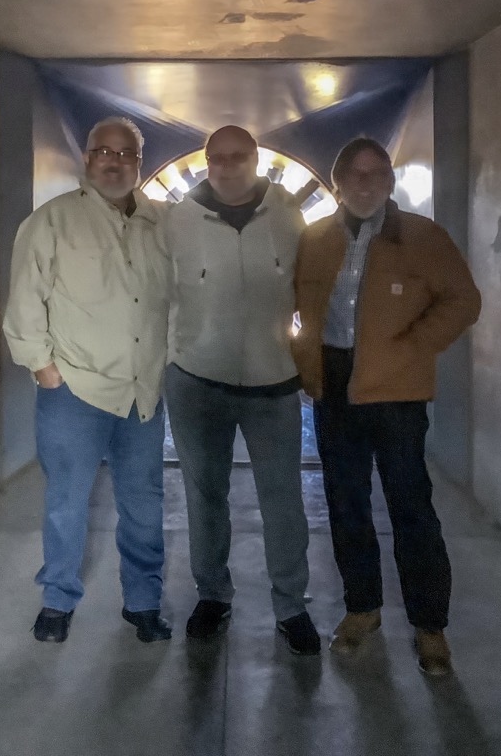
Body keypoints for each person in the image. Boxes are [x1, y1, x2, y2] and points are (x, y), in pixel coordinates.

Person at [292, 137, 481, 675]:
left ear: (391, 182)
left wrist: (413, 346)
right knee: (346, 506)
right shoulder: (314, 239)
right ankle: (362, 609)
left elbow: (464, 301)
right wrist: (303, 360)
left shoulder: (423, 238)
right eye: (354, 174)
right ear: (337, 184)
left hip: (397, 392)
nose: (366, 183)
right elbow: (299, 308)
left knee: (411, 510)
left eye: (377, 173)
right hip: (334, 388)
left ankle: (430, 627)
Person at [3, 116, 172, 645]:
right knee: (67, 501)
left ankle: (142, 601)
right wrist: (45, 372)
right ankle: (58, 599)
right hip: (74, 389)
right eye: (104, 151)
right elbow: (25, 302)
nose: (115, 161)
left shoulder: (162, 224)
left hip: (142, 391)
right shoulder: (52, 222)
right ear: (88, 159)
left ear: (139, 164)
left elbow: (180, 298)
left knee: (143, 502)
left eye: (126, 153)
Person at [163, 126, 320, 655]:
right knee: (205, 498)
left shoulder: (288, 215)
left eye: (238, 157)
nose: (227, 167)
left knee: (283, 501)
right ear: (207, 162)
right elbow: (155, 292)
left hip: (274, 385)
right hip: (197, 383)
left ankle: (291, 605)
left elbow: (309, 289)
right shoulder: (177, 220)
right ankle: (213, 596)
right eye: (217, 158)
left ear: (256, 160)